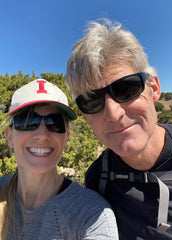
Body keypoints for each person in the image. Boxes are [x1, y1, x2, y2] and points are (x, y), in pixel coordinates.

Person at [65, 18, 172, 239]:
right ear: (85, 117)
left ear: (153, 89)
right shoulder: (98, 179)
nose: (113, 114)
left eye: (126, 89)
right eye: (92, 102)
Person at [0, 79, 118, 240]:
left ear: (66, 138)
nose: (42, 135)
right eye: (28, 121)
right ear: (10, 137)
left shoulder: (93, 213)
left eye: (55, 123)